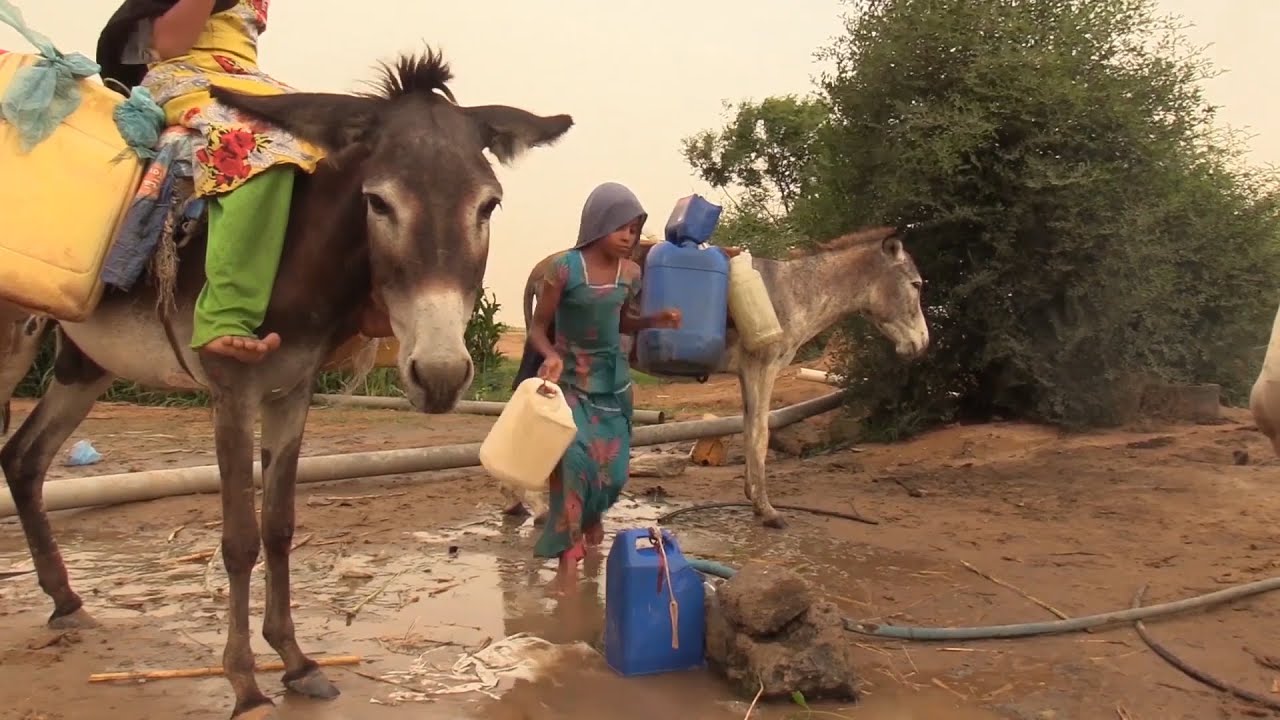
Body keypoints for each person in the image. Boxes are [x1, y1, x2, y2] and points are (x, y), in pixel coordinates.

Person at [97, 0, 329, 362]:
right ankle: (225, 317)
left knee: (340, 141)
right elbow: (164, 46)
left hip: (244, 80)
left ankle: (370, 301)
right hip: (184, 76)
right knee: (260, 143)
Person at [524, 182, 681, 590]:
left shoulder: (631, 273)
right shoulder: (564, 269)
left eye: (634, 228)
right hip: (572, 380)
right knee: (574, 465)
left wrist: (654, 319)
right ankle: (567, 558)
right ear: (598, 224)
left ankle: (591, 520)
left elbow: (623, 322)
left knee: (612, 472)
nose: (629, 236)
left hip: (613, 385)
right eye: (622, 227)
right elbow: (538, 327)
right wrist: (551, 357)